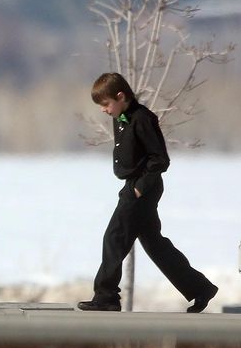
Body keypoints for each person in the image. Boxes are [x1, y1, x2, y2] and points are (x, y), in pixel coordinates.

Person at [78, 73, 219, 313]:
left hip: (143, 188)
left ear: (121, 97)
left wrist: (140, 187)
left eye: (105, 104)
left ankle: (107, 296)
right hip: (133, 185)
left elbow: (160, 159)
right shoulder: (120, 116)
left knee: (114, 237)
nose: (103, 110)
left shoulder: (143, 119)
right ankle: (200, 288)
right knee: (156, 245)